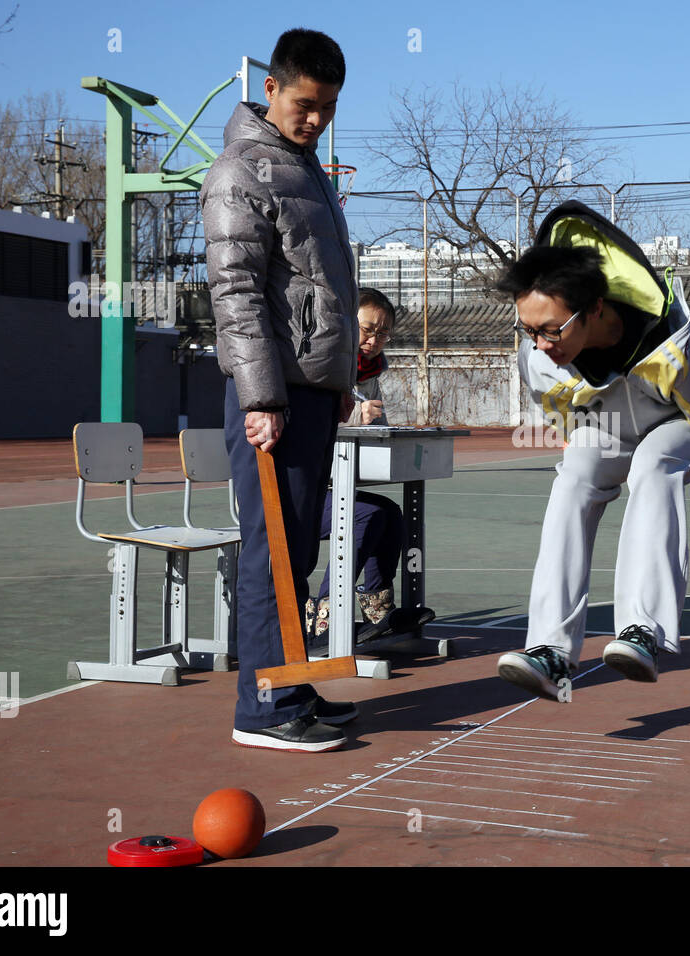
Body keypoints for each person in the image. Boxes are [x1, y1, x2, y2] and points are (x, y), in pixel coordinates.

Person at [493, 201, 690, 700]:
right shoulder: (538, 355)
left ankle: (643, 631)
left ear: (596, 309)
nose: (539, 343)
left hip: (680, 424)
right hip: (609, 424)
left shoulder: (672, 344)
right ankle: (550, 650)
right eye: (528, 330)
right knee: (574, 474)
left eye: (550, 329)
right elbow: (560, 406)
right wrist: (580, 440)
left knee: (654, 465)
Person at [201, 29, 360, 752]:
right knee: (271, 551)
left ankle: (288, 681)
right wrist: (262, 398)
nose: (317, 119)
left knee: (296, 551)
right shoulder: (240, 171)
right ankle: (261, 710)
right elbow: (234, 295)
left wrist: (339, 381)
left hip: (311, 391)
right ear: (271, 88)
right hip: (274, 397)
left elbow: (322, 292)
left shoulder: (304, 168)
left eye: (328, 108)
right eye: (305, 104)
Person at [305, 288, 435, 647]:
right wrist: (352, 419)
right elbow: (311, 431)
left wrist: (388, 431)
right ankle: (325, 619)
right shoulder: (322, 366)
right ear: (346, 324)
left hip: (331, 484)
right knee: (364, 515)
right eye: (367, 329)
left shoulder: (370, 372)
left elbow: (372, 432)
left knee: (390, 513)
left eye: (383, 333)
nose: (374, 340)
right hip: (299, 494)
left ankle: (378, 611)